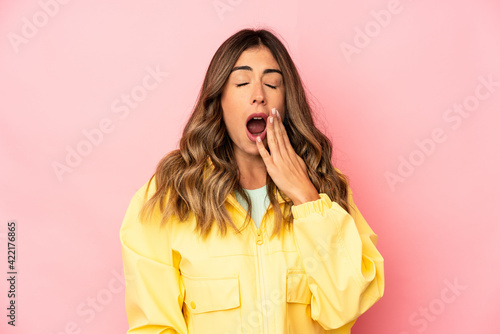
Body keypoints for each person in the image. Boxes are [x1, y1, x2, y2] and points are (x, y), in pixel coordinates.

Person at [120, 28, 384, 334]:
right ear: (218, 99)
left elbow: (347, 303)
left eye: (272, 83)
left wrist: (308, 200)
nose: (258, 94)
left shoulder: (326, 189)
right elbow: (154, 326)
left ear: (286, 103)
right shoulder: (170, 196)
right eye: (242, 82)